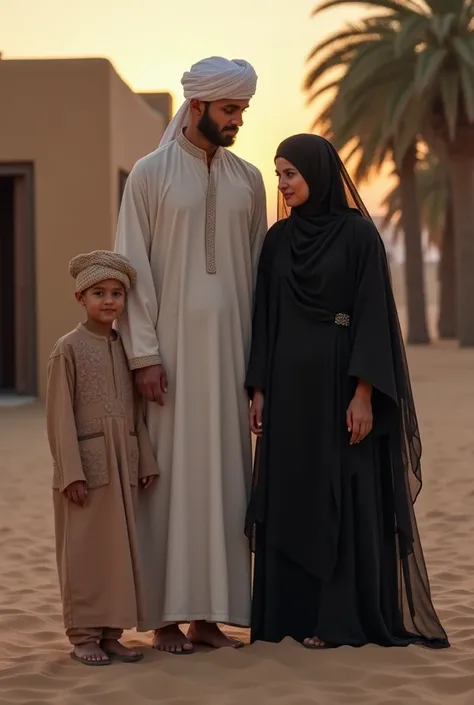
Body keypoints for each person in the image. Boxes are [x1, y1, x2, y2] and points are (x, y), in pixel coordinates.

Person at [245, 134, 450, 650]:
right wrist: (260, 389)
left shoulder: (359, 236)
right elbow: (264, 318)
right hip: (289, 390)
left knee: (337, 491)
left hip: (338, 385)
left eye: (291, 172)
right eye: (278, 174)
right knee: (292, 489)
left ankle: (336, 620)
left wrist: (363, 393)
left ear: (317, 170)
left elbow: (375, 316)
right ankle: (289, 617)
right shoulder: (277, 241)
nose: (283, 184)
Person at [114, 56, 267, 653]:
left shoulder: (247, 178)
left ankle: (211, 616)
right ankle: (165, 618)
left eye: (242, 111)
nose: (237, 121)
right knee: (171, 482)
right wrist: (144, 354)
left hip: (231, 359)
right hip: (168, 362)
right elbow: (132, 266)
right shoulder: (150, 175)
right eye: (230, 110)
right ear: (197, 106)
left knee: (226, 484)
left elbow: (259, 274)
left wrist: (259, 370)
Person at [46, 250, 159, 666]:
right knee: (85, 550)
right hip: (86, 471)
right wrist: (70, 472)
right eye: (99, 293)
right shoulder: (68, 349)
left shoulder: (125, 348)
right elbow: (58, 416)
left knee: (119, 551)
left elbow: (137, 414)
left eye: (116, 293)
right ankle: (83, 636)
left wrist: (144, 460)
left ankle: (111, 633)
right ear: (81, 297)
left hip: (122, 464)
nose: (109, 301)